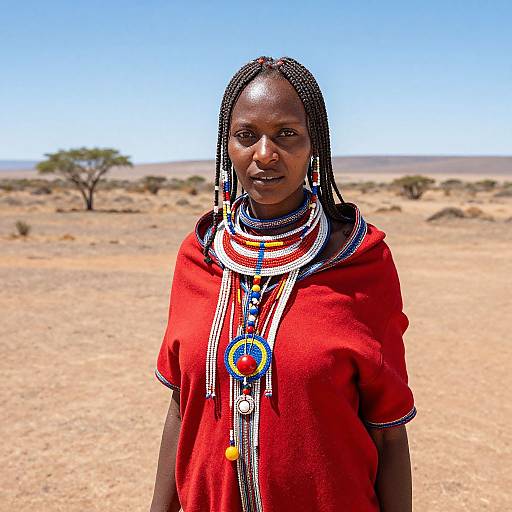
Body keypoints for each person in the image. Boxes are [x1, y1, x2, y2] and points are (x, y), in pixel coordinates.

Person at [150, 56, 416, 512]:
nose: (265, 154)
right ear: (226, 146)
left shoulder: (360, 262)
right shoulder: (199, 257)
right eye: (247, 135)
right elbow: (182, 407)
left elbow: (389, 431)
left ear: (314, 145)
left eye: (287, 134)